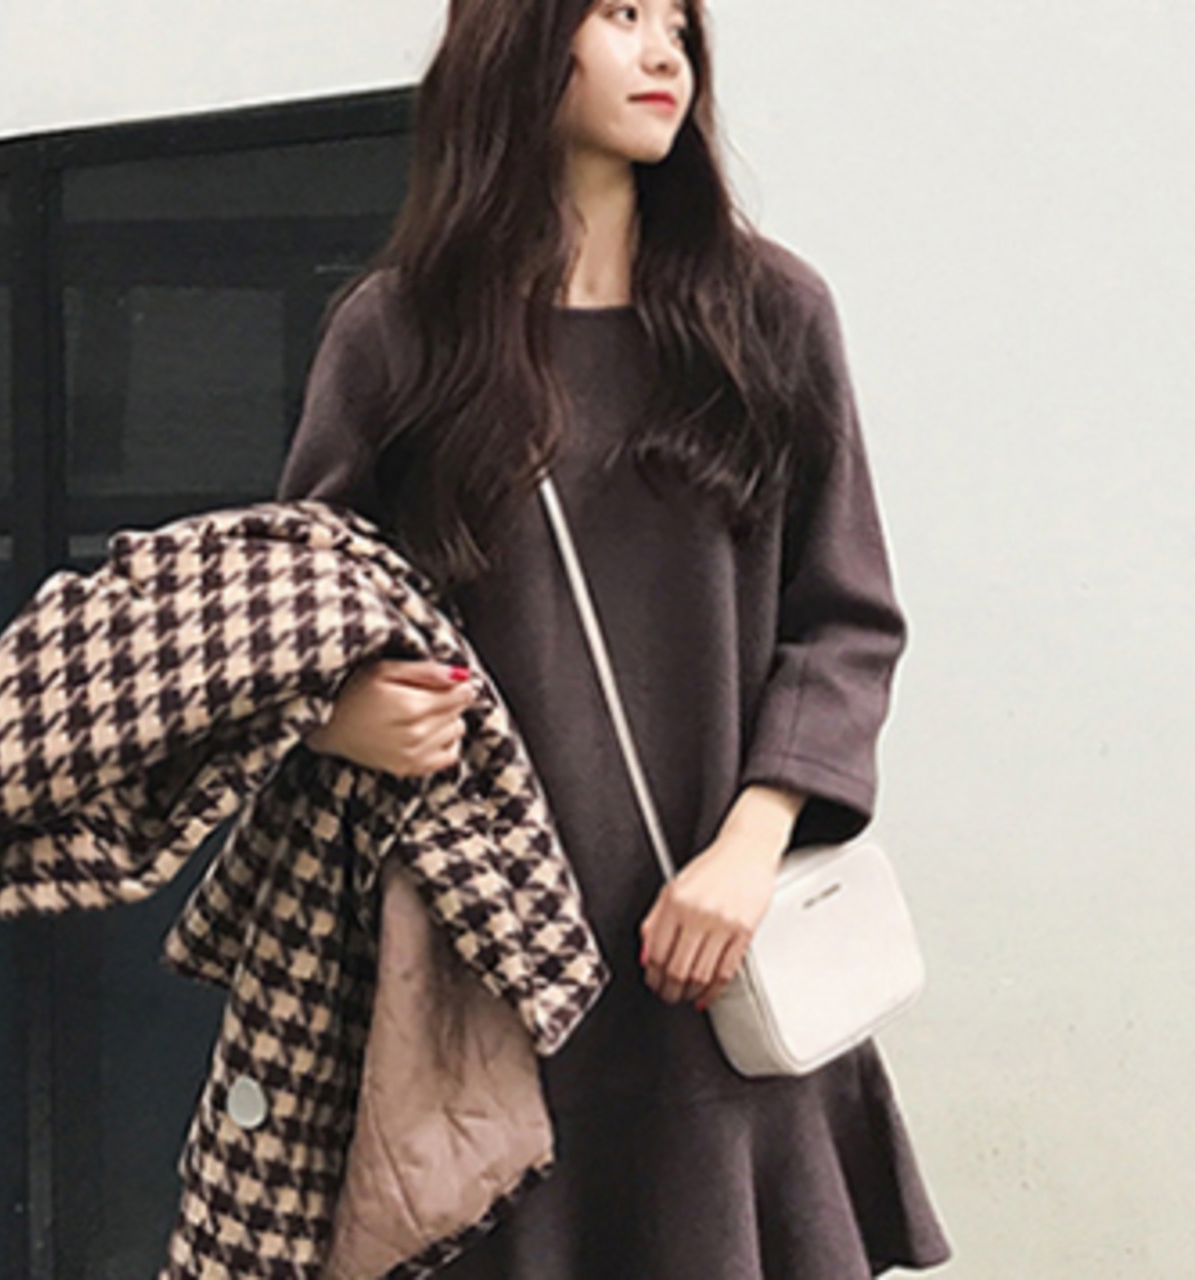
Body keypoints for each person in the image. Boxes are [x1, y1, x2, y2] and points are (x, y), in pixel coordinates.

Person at [277, 0, 953, 1275]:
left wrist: (751, 843)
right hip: (491, 976)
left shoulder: (768, 313)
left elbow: (845, 615)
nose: (661, 56)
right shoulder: (397, 333)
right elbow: (296, 616)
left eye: (679, 27)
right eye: (620, 14)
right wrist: (341, 711)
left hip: (710, 954)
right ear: (521, 41)